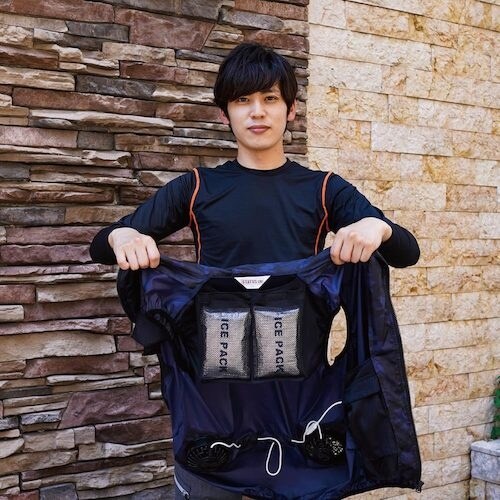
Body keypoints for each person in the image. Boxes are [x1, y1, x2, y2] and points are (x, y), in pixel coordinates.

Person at [90, 42, 419, 499]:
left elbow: (406, 251)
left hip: (301, 408)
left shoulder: (324, 190)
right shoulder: (197, 188)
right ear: (225, 114)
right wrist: (123, 235)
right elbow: (102, 245)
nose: (257, 112)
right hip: (213, 411)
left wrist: (376, 227)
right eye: (243, 100)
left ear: (291, 109)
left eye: (270, 98)